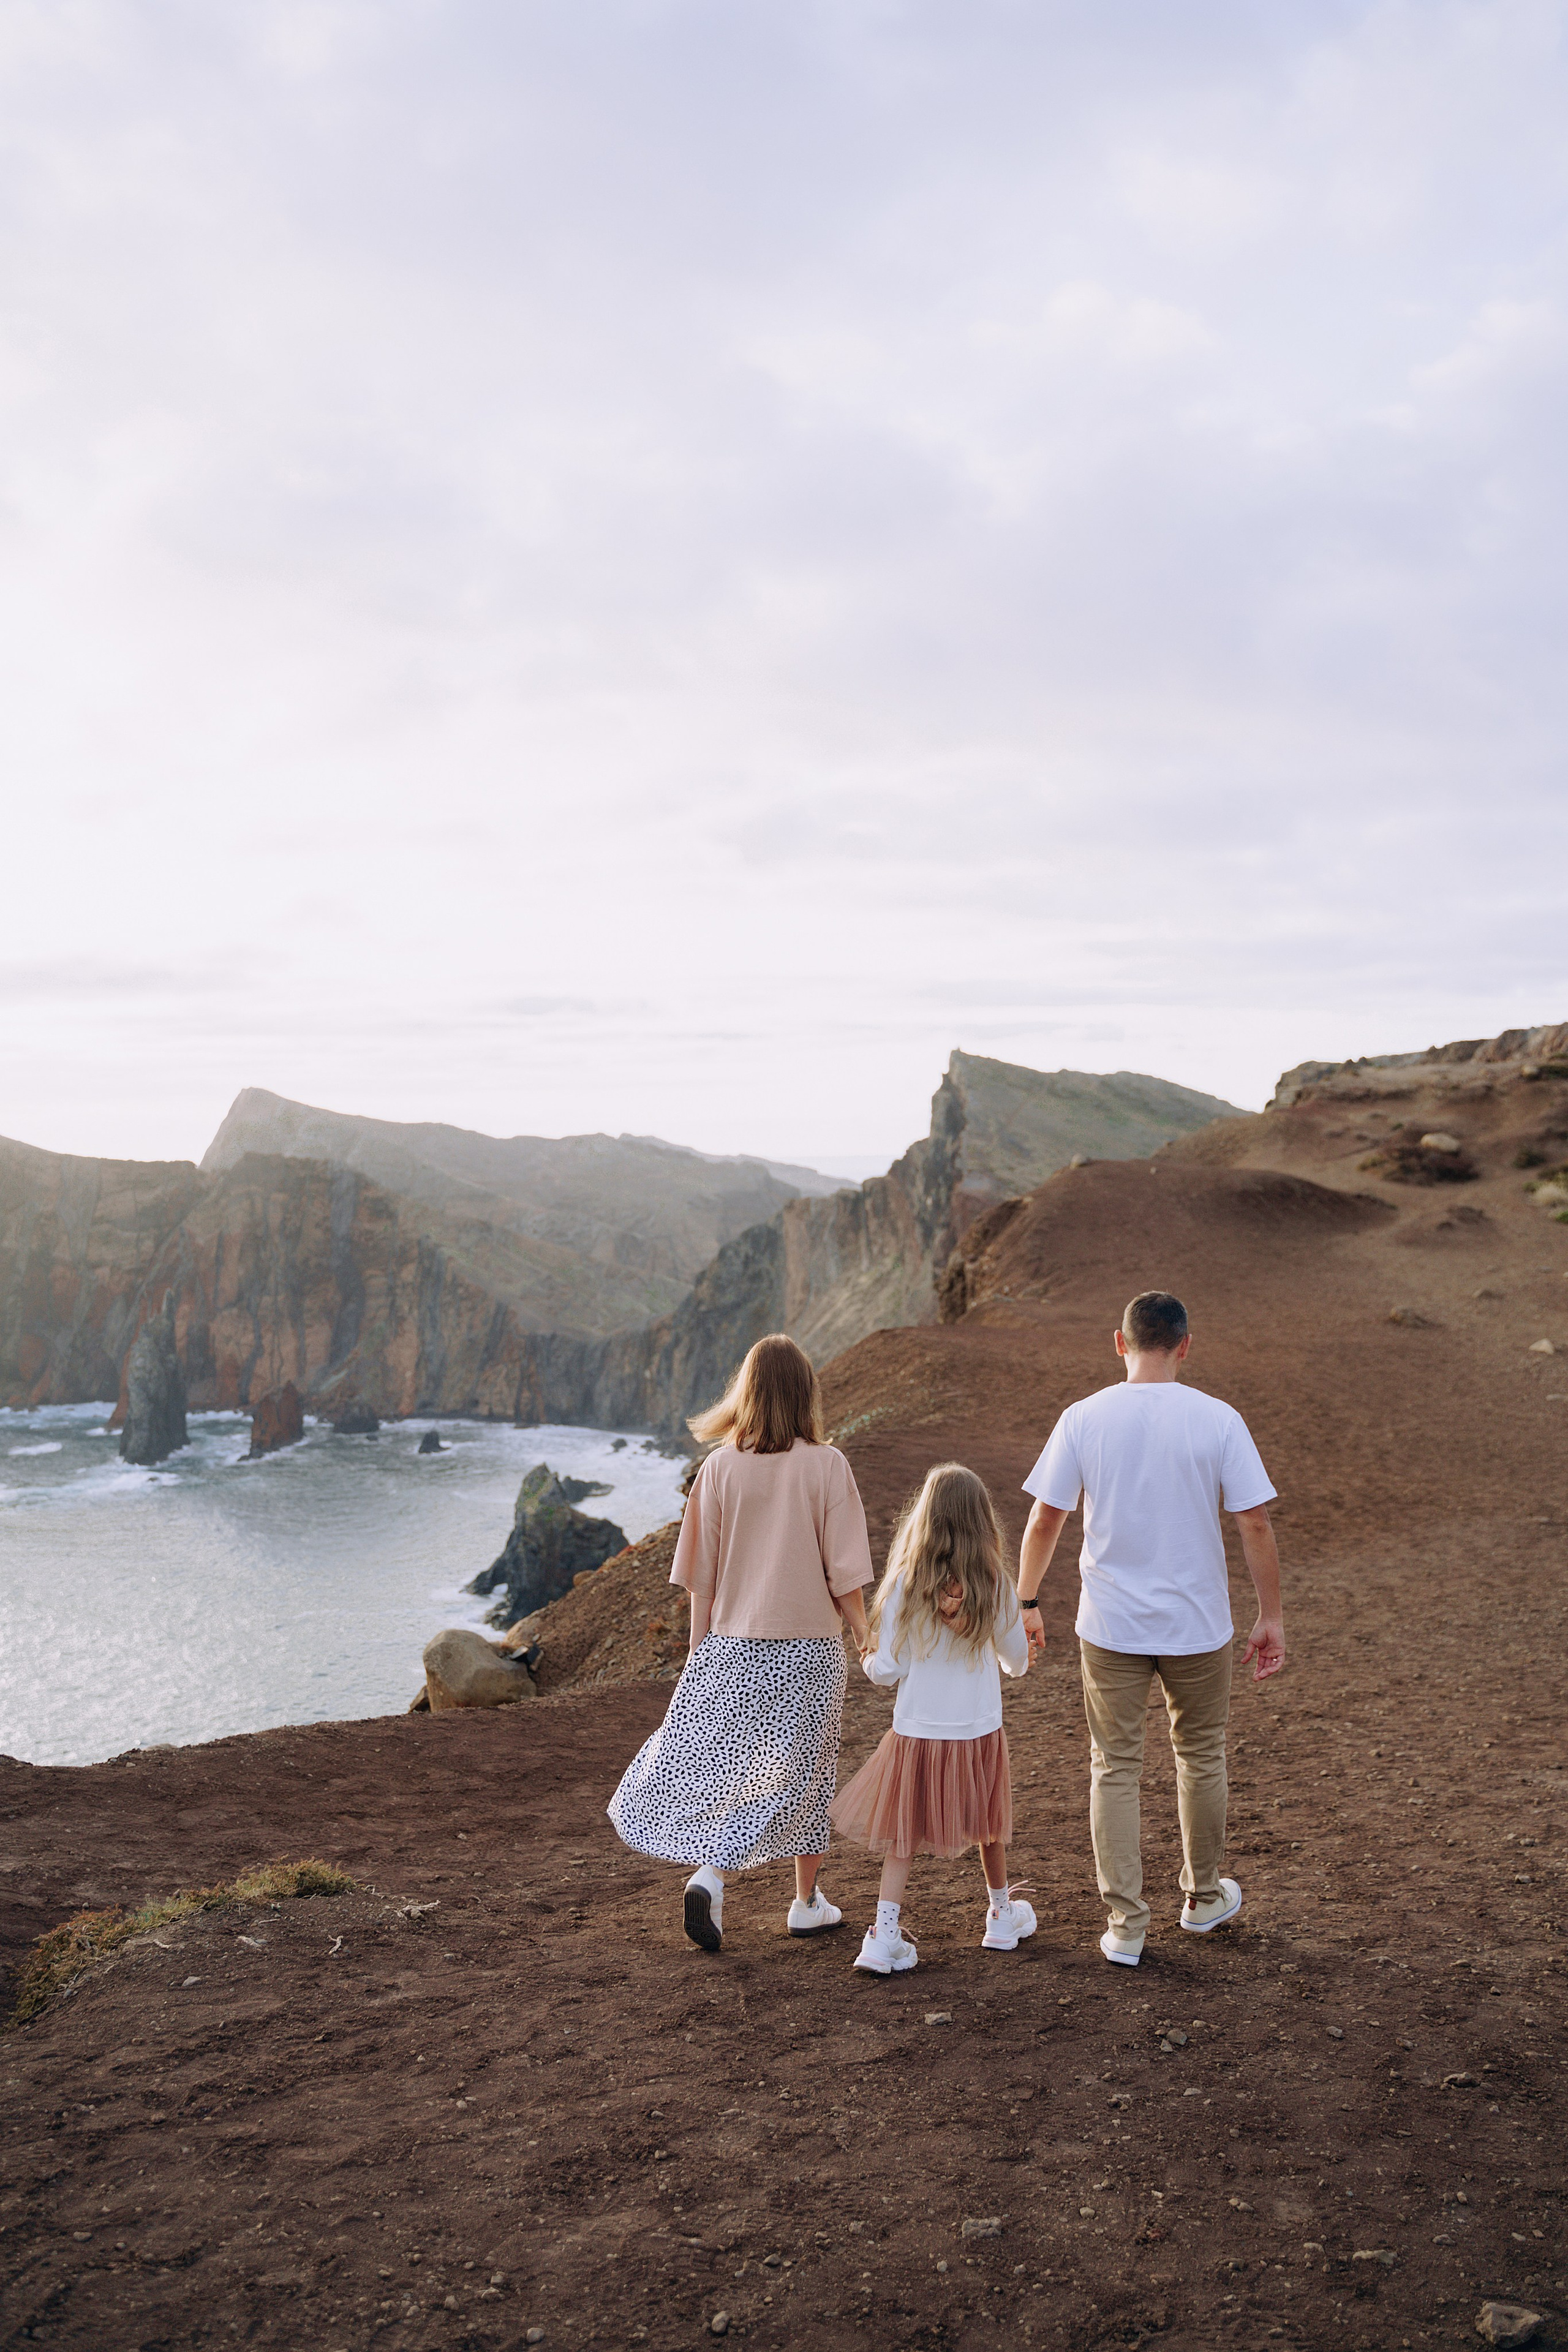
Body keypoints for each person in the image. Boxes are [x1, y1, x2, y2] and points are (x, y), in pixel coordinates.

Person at [1017, 1290, 1285, 1968]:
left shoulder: (1082, 1418)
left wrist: (1024, 1600)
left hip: (1109, 1624)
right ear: (1185, 1345)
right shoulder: (1218, 1419)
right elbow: (1253, 1521)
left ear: (1119, 1343)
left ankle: (1126, 1925)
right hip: (1199, 1625)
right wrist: (1270, 1615)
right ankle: (1200, 1898)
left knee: (1114, 1766)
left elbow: (1047, 1518)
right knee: (1201, 1756)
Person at [607, 1333, 873, 1953]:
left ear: (746, 1392)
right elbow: (845, 1575)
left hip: (731, 1646)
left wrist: (699, 1654)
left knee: (726, 1769)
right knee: (804, 1775)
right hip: (808, 1651)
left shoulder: (720, 1467)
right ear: (805, 1392)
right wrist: (863, 1636)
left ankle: (806, 1903)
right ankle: (724, 1876)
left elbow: (700, 1579)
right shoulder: (827, 1464)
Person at [830, 1461, 1033, 1975]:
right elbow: (1017, 1663)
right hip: (979, 1730)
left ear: (925, 1517)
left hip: (917, 1732)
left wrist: (867, 1657)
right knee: (990, 1825)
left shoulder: (905, 1584)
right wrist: (1018, 1647)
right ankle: (1001, 1915)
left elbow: (886, 1671)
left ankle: (883, 1935)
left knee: (903, 1833)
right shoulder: (995, 1583)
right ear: (983, 1521)